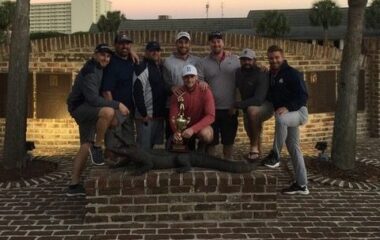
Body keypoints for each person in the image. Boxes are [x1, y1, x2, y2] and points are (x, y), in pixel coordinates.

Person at [66, 44, 129, 196]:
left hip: (87, 108)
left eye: (108, 56)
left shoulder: (100, 67)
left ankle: (73, 185)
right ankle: (98, 146)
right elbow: (94, 100)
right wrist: (117, 104)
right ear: (95, 55)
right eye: (102, 55)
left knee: (84, 145)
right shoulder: (91, 72)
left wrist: (131, 52)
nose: (105, 59)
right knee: (108, 112)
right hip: (80, 107)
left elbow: (121, 59)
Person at [261, 45, 309, 195]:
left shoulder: (293, 73)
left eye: (277, 57)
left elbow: (303, 96)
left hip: (299, 112)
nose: (274, 60)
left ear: (283, 57)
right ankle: (302, 185)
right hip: (289, 117)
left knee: (280, 119)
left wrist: (288, 107)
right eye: (271, 58)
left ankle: (275, 156)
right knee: (294, 148)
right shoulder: (271, 75)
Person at [198, 31, 240, 159]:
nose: (216, 44)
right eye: (213, 41)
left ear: (223, 43)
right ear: (209, 44)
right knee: (212, 144)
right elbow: (198, 80)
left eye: (218, 41)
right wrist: (202, 82)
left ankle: (227, 167)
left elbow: (246, 74)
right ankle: (212, 169)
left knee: (228, 142)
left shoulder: (235, 60)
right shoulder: (203, 62)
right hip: (211, 110)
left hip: (230, 109)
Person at [163, 32, 208, 145]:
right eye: (180, 42)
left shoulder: (198, 61)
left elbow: (201, 80)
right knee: (173, 140)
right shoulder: (168, 62)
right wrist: (171, 87)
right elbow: (164, 84)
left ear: (189, 44)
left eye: (186, 42)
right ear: (176, 44)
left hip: (192, 107)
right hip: (173, 105)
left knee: (189, 141)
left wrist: (202, 83)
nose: (183, 45)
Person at [234, 48, 273, 161]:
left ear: (254, 60)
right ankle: (256, 156)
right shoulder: (238, 72)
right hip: (248, 105)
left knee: (252, 111)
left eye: (249, 60)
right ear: (240, 60)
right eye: (244, 59)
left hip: (266, 105)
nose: (247, 62)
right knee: (251, 131)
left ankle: (254, 148)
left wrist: (237, 105)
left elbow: (258, 99)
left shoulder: (261, 73)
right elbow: (237, 89)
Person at [101, 33, 137, 153]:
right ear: (115, 45)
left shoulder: (131, 61)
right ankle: (112, 163)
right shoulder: (111, 63)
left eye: (127, 43)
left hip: (128, 110)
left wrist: (133, 53)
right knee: (113, 145)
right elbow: (106, 91)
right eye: (121, 43)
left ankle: (125, 162)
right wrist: (114, 113)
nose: (124, 46)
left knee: (129, 143)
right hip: (117, 110)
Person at [169, 64, 215, 151]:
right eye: (186, 77)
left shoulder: (205, 91)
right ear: (182, 78)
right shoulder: (177, 94)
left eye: (192, 76)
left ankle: (201, 149)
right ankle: (188, 149)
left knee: (206, 134)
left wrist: (193, 129)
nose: (189, 80)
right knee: (176, 141)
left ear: (197, 77)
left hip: (200, 126)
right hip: (184, 127)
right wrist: (176, 132)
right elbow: (173, 116)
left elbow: (211, 116)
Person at [133, 41, 166, 150]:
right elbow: (137, 91)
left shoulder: (160, 67)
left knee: (153, 148)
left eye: (157, 50)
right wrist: (143, 113)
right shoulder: (141, 67)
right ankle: (140, 166)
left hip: (158, 115)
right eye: (152, 50)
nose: (155, 53)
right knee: (144, 148)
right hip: (146, 116)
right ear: (146, 52)